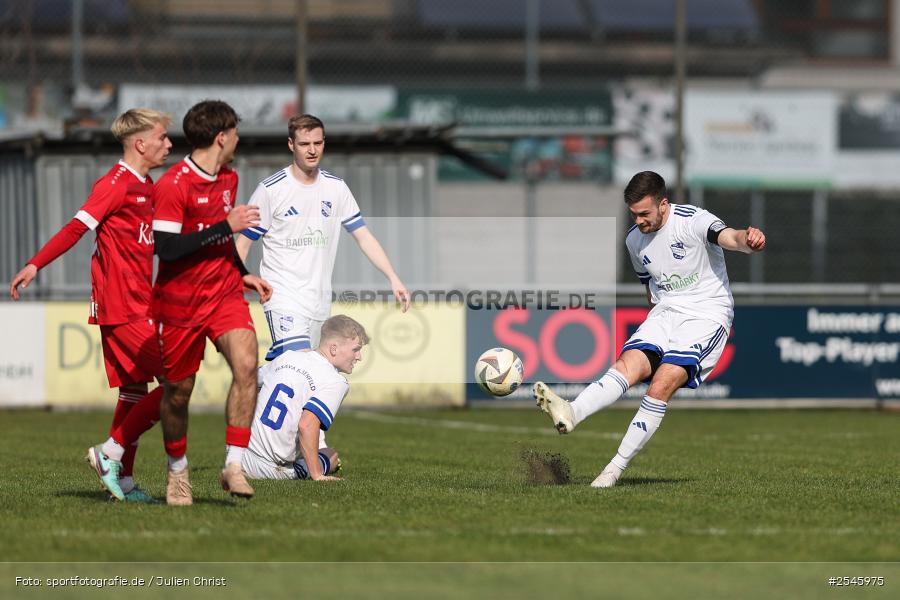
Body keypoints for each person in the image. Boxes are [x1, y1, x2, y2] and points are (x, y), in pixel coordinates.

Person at [534, 171, 766, 488]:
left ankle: (612, 471)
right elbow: (651, 288)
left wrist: (748, 240)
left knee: (660, 384)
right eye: (634, 214)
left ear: (663, 204)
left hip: (706, 315)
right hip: (665, 312)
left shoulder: (692, 220)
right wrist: (654, 326)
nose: (640, 221)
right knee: (627, 366)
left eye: (645, 213)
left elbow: (729, 237)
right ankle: (572, 411)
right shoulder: (634, 240)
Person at [9, 108, 173, 502]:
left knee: (134, 390)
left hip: (141, 302)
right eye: (163, 137)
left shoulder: (148, 184)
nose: (169, 144)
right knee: (175, 382)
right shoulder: (115, 184)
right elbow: (76, 228)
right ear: (140, 143)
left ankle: (124, 479)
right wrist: (35, 264)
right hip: (120, 304)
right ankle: (108, 453)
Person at [235, 114, 409, 451]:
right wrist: (238, 280)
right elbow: (243, 245)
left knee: (309, 372)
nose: (312, 150)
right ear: (291, 145)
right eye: (304, 144)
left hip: (318, 301)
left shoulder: (336, 188)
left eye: (318, 143)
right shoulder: (272, 190)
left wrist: (393, 277)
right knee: (296, 362)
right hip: (282, 295)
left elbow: (363, 236)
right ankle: (302, 444)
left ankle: (256, 380)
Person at [151, 100, 272, 506]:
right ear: (222, 137)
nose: (238, 139)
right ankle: (177, 472)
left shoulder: (229, 178)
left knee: (248, 364)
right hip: (180, 304)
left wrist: (242, 272)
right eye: (235, 132)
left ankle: (234, 464)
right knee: (178, 394)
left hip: (223, 294)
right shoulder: (172, 184)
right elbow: (166, 249)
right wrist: (227, 225)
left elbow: (220, 241)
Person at [241, 314, 367, 482]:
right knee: (330, 455)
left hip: (238, 455)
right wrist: (317, 475)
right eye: (356, 349)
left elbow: (247, 380)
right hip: (268, 468)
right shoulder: (336, 381)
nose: (359, 357)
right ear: (334, 349)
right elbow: (307, 425)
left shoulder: (288, 356)